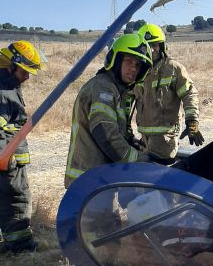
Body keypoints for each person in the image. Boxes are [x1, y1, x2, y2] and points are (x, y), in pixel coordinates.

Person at [0, 40, 47, 253]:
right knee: (15, 198)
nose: (28, 76)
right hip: (2, 158)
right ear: (11, 65)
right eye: (24, 71)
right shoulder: (1, 92)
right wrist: (6, 159)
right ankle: (21, 246)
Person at [64, 33, 153, 188]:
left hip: (100, 177)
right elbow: (105, 132)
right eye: (128, 61)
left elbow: (116, 130)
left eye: (138, 65)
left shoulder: (117, 90)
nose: (133, 68)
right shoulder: (103, 88)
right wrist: (137, 160)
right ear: (116, 61)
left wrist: (132, 143)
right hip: (89, 179)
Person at [134, 23, 204, 161]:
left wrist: (192, 121)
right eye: (148, 46)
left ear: (162, 46)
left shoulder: (173, 69)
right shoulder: (138, 71)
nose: (152, 50)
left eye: (155, 45)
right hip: (143, 138)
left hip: (165, 139)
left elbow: (189, 94)